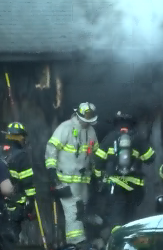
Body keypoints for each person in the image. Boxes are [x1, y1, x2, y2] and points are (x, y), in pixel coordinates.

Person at [44, 102, 107, 249]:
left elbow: (95, 154)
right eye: (85, 121)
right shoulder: (65, 128)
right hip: (65, 180)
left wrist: (98, 173)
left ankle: (80, 241)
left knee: (81, 211)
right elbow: (52, 148)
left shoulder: (91, 132)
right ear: (78, 116)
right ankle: (76, 243)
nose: (87, 123)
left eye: (89, 121)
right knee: (73, 211)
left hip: (82, 182)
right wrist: (52, 170)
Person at [94, 111, 155, 244]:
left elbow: (98, 160)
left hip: (115, 187)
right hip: (135, 188)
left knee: (116, 218)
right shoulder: (138, 139)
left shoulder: (110, 138)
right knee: (131, 218)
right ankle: (130, 243)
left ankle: (118, 243)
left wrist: (98, 179)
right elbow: (150, 158)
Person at [0, 122, 35, 243]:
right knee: (11, 239)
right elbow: (27, 181)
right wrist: (31, 202)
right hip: (15, 206)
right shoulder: (22, 155)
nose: (24, 140)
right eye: (23, 137)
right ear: (19, 137)